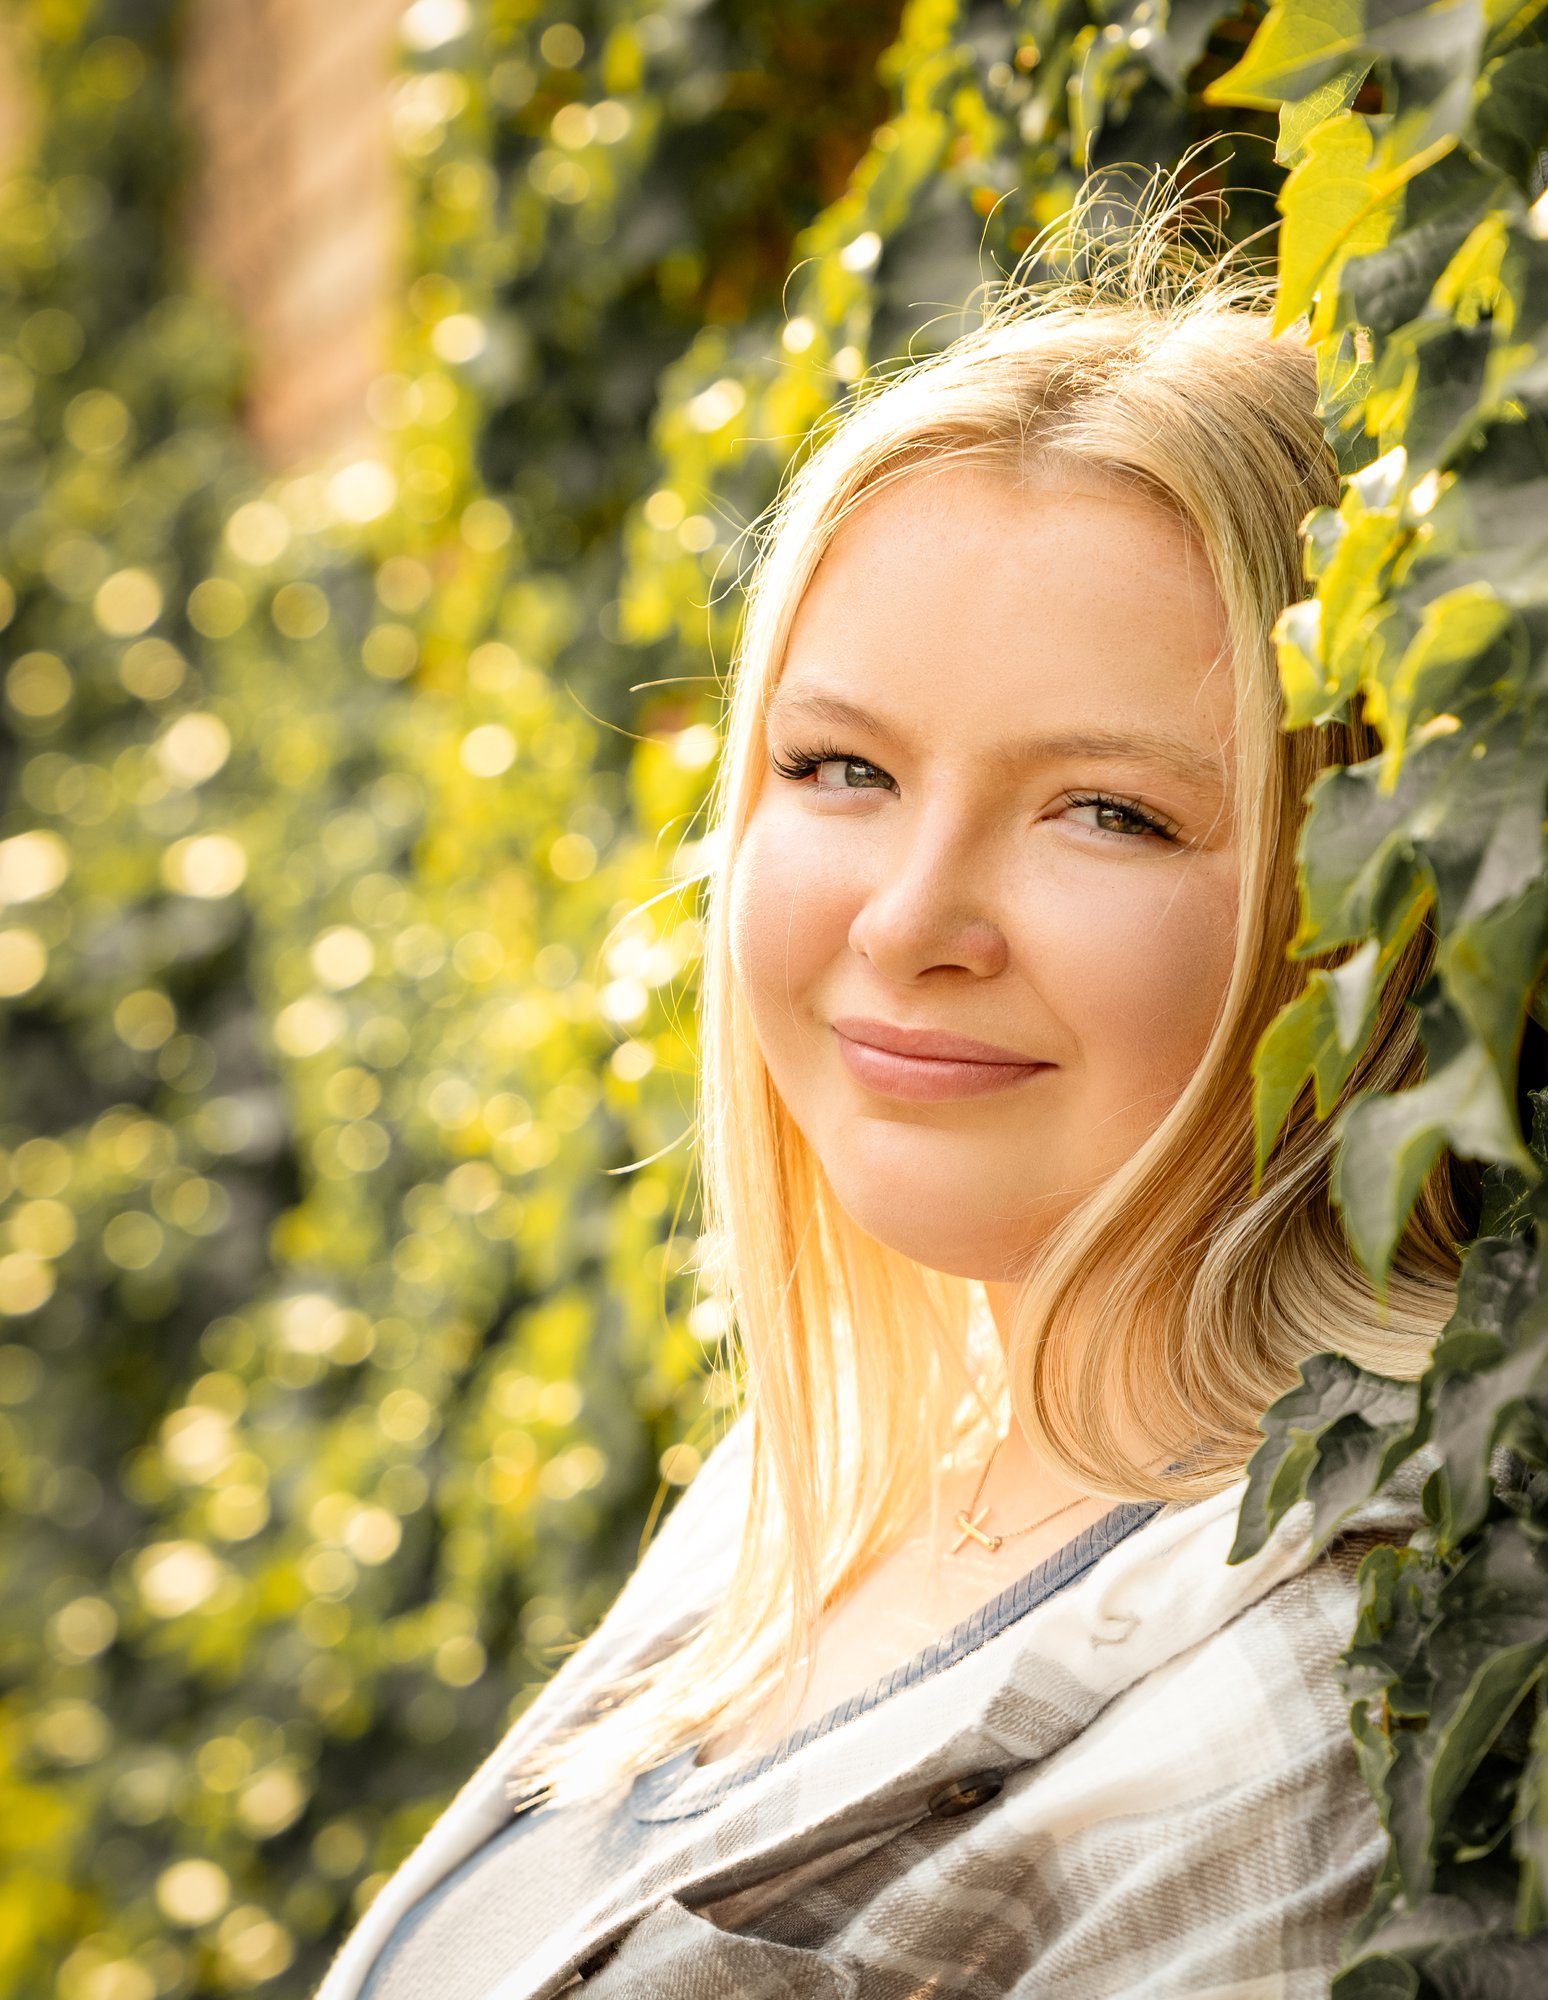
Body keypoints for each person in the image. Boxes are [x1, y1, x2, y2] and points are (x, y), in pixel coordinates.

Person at [318, 218, 1469, 1999]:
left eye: (1108, 810)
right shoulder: (828, 1473)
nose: (909, 920)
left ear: (1360, 896)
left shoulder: (1337, 1714)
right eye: (841, 768)